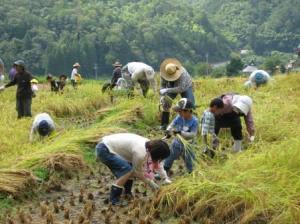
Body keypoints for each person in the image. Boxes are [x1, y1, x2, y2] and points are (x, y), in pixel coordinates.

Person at [95, 133, 170, 205]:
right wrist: (150, 183)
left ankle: (127, 193)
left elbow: (159, 164)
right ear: (156, 154)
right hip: (104, 149)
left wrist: (165, 178)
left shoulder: (150, 147)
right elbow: (137, 172)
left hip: (109, 146)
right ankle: (114, 199)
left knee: (130, 169)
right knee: (127, 171)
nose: (159, 160)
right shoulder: (140, 153)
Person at [164, 98, 198, 173]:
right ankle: (165, 170)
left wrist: (181, 132)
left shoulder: (194, 121)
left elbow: (193, 134)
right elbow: (172, 124)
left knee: (189, 159)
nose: (179, 113)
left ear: (188, 111)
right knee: (170, 156)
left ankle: (190, 172)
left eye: (180, 111)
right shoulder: (179, 117)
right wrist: (168, 130)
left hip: (188, 144)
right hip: (177, 142)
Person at [159, 58, 195, 130]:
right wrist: (163, 94)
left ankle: (189, 125)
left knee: (189, 104)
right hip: (171, 86)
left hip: (185, 86)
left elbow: (181, 88)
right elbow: (163, 84)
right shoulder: (163, 73)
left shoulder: (182, 74)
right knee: (166, 102)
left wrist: (167, 89)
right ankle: (164, 124)